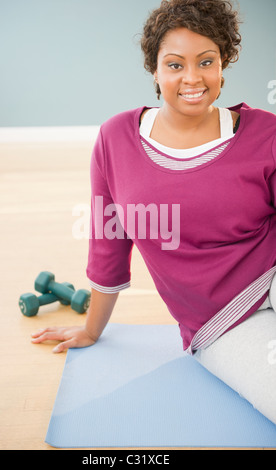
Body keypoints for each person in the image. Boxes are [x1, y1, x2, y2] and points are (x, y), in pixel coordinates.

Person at [32, 0, 276, 424]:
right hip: (220, 320)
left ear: (223, 66)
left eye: (206, 61)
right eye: (175, 64)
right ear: (155, 70)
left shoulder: (267, 134)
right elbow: (108, 246)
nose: (193, 78)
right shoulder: (116, 140)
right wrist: (92, 330)